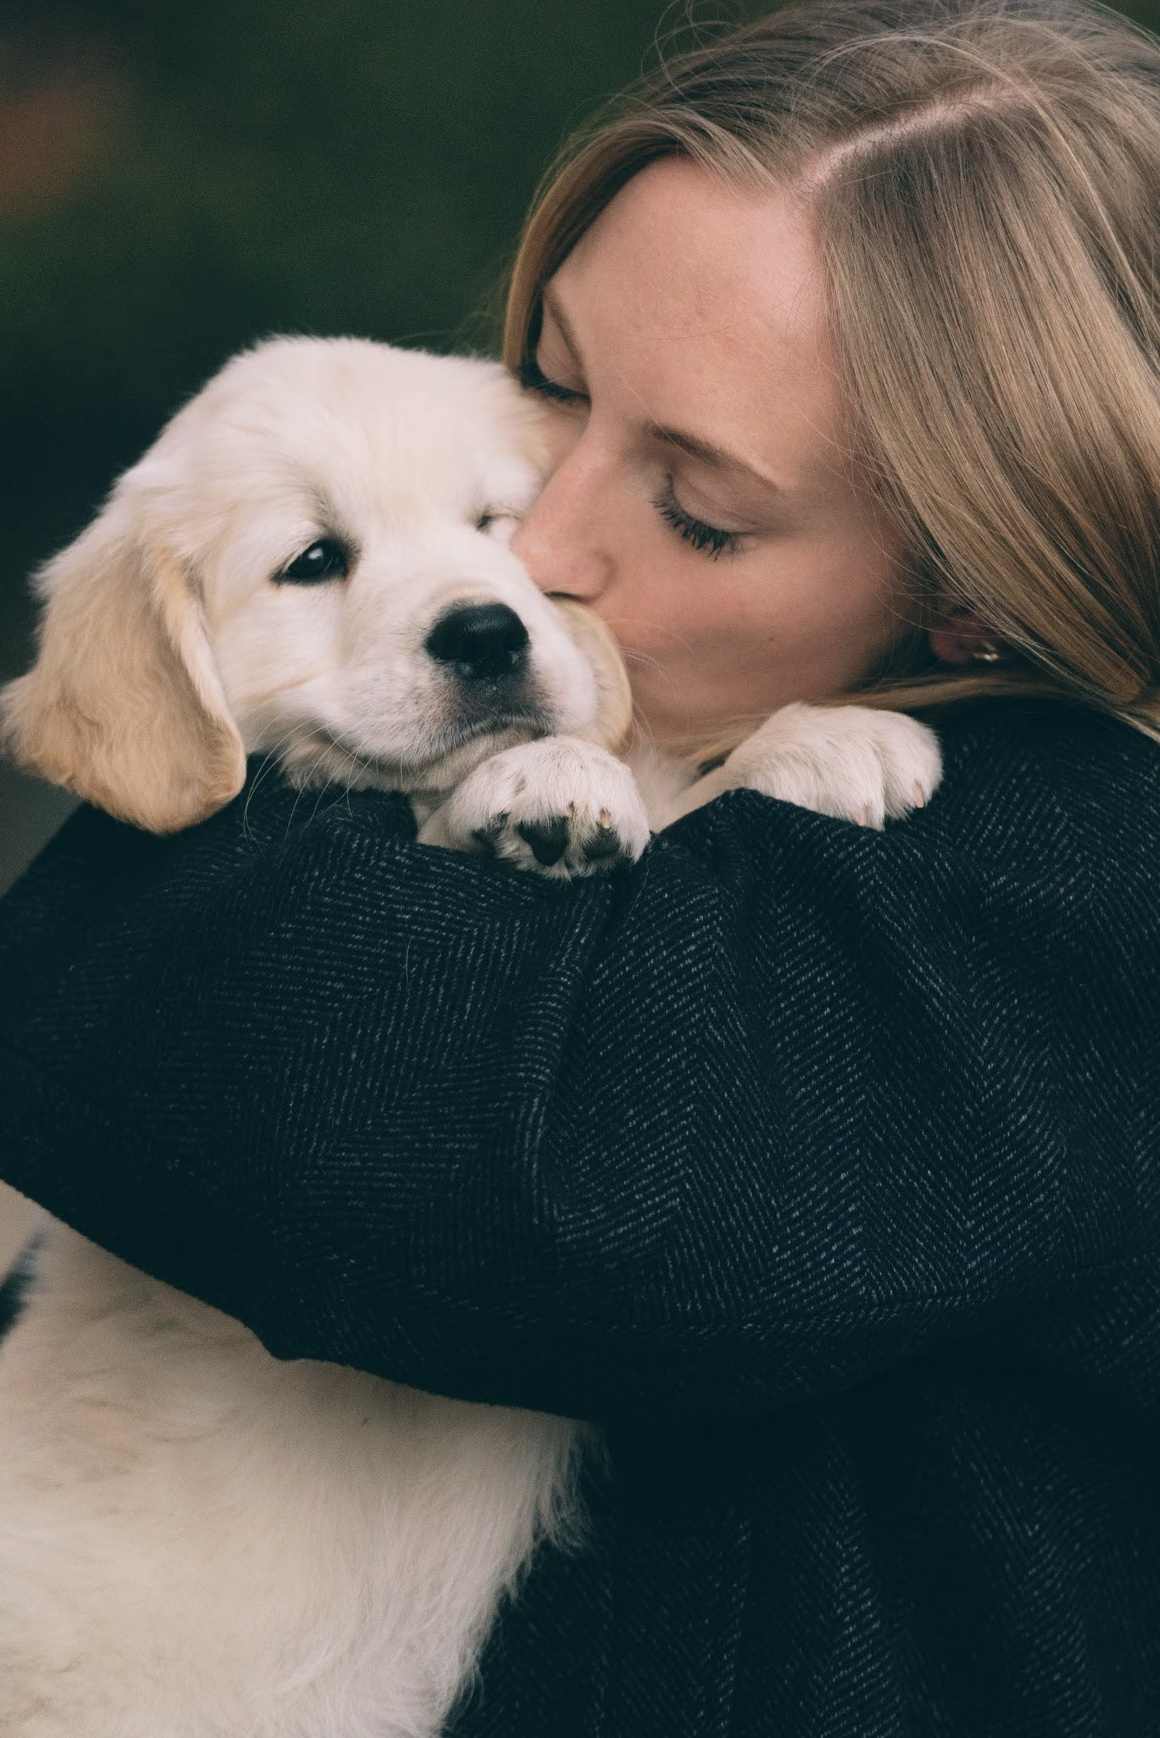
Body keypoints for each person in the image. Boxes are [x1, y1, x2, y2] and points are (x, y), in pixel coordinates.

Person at [2, 0, 1160, 1730]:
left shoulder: (1074, 878)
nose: (531, 547)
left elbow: (546, 1190)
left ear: (974, 586)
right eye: (552, 390)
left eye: (695, 503)